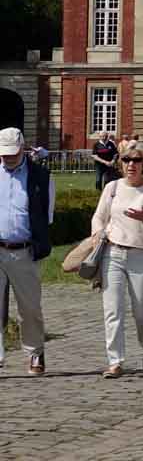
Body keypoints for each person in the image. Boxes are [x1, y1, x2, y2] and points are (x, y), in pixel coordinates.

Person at [92, 145, 143, 377]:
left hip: (142, 254)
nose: (131, 164)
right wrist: (97, 234)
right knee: (112, 309)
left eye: (136, 160)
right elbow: (99, 216)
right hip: (113, 253)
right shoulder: (112, 188)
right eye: (126, 160)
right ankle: (115, 361)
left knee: (141, 309)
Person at [0, 127, 52, 375]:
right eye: (4, 154)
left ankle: (35, 352)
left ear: (22, 148)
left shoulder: (40, 175)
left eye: (12, 153)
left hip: (24, 250)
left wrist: (40, 242)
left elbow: (46, 214)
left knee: (29, 307)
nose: (8, 158)